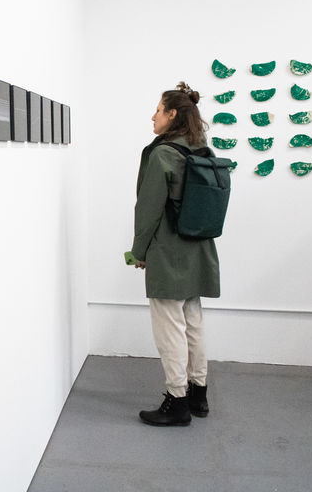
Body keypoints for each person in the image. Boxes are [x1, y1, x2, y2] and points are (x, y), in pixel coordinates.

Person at [130, 81, 220, 427]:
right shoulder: (202, 150)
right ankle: (199, 394)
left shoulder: (164, 154)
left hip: (169, 252)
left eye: (157, 110)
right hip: (199, 250)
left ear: (172, 114)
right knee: (193, 322)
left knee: (170, 329)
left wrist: (139, 251)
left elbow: (149, 209)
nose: (152, 116)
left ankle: (177, 401)